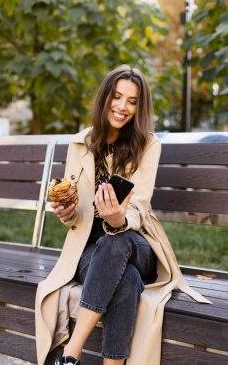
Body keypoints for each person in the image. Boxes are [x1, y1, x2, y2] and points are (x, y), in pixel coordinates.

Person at [35, 65, 210, 365]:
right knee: (126, 280)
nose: (122, 107)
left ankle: (69, 356)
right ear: (105, 97)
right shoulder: (79, 144)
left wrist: (118, 220)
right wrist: (67, 213)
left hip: (137, 246)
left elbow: (140, 207)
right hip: (91, 252)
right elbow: (75, 212)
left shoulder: (148, 145)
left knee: (118, 242)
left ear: (139, 106)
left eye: (132, 101)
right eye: (117, 97)